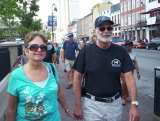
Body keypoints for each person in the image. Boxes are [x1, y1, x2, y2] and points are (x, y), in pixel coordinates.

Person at [73, 16, 140, 121]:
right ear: (95, 31)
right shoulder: (86, 51)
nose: (106, 31)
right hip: (92, 106)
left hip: (115, 106)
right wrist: (78, 105)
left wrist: (134, 104)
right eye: (102, 28)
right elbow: (77, 78)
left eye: (109, 28)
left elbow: (129, 78)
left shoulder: (121, 51)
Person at [7, 31, 75, 121]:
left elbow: (59, 92)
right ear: (26, 51)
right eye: (34, 47)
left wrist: (67, 111)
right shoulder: (16, 75)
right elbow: (11, 108)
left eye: (43, 47)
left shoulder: (51, 69)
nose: (39, 50)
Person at [121, 40, 141, 105]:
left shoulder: (133, 53)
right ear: (126, 46)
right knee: (124, 83)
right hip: (123, 71)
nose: (130, 47)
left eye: (131, 45)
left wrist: (138, 72)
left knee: (128, 83)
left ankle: (126, 96)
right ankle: (123, 98)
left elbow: (135, 63)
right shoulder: (123, 53)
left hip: (130, 70)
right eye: (128, 45)